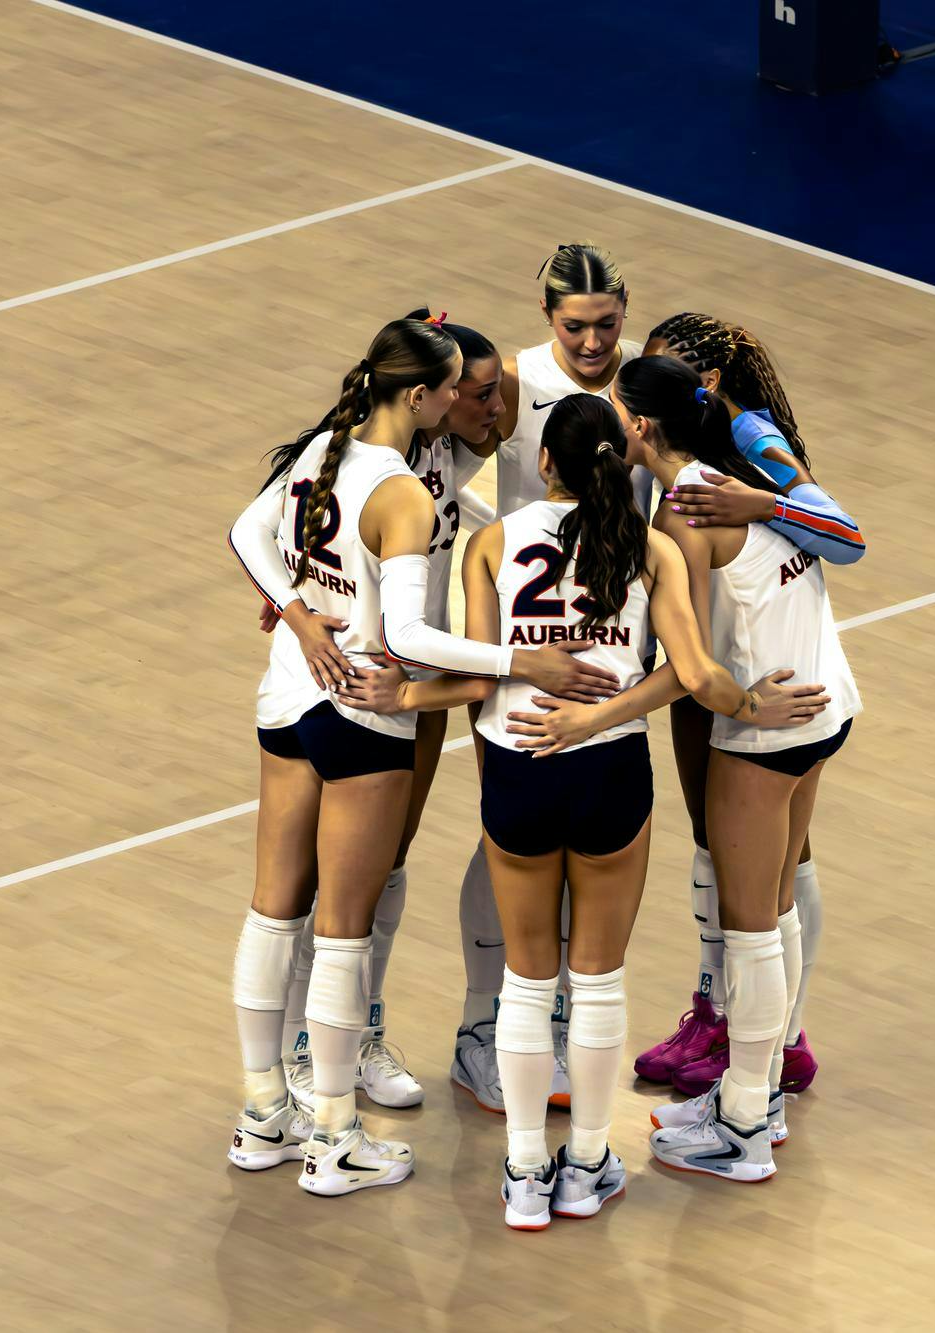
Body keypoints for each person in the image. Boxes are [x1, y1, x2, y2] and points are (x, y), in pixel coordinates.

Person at [343, 395, 829, 1224]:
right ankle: (590, 1164)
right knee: (598, 980)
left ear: (545, 463)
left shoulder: (493, 543)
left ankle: (526, 1172)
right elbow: (689, 673)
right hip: (610, 769)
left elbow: (482, 674)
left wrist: (408, 693)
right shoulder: (651, 547)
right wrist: (734, 707)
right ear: (620, 462)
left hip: (517, 763)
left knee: (528, 981)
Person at [223, 316, 615, 1195]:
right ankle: (334, 1137)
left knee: (271, 913)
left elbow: (247, 531)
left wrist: (296, 615)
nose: (477, 406)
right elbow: (403, 635)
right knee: (341, 930)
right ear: (420, 393)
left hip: (288, 695)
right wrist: (520, 661)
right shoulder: (400, 490)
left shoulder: (324, 448)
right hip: (368, 706)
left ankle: (262, 1115)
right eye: (457, 391)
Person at [508, 355, 861, 1181]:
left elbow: (692, 668)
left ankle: (743, 1128)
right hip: (826, 702)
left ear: (638, 426)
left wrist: (597, 713)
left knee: (750, 928)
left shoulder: (684, 514)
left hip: (767, 726)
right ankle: (758, 1096)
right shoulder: (745, 468)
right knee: (776, 912)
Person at [263, 313, 506, 1113]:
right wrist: (295, 605)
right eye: (475, 392)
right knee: (324, 884)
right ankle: (305, 1047)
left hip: (419, 687)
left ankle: (359, 1032)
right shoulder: (362, 456)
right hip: (362, 685)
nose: (492, 408)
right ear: (427, 391)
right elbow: (257, 527)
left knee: (386, 864)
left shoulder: (451, 449)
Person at [632, 314, 865, 1101]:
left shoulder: (750, 439)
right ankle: (721, 1013)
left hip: (753, 686)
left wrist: (764, 503)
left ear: (706, 384)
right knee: (721, 852)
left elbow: (846, 537)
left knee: (766, 882)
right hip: (733, 669)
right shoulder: (683, 460)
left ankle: (764, 1051)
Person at [453, 243, 650, 1116]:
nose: (594, 342)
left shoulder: (642, 382)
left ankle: (553, 1022)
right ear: (546, 318)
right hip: (519, 646)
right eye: (576, 327)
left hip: (613, 648)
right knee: (504, 836)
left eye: (607, 324)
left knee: (574, 847)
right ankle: (481, 1026)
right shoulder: (516, 380)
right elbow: (438, 457)